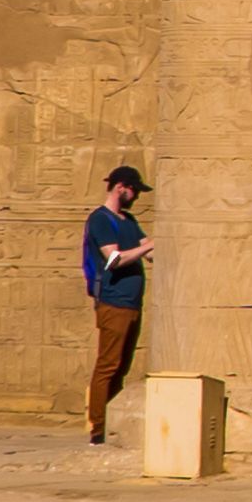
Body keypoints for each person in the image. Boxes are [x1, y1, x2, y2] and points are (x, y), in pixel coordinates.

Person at [81, 164, 153, 444]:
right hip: (114, 302)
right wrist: (147, 247)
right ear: (121, 187)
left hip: (132, 303)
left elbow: (149, 248)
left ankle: (112, 421)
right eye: (134, 190)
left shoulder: (128, 220)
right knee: (107, 365)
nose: (136, 197)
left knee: (122, 366)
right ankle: (98, 427)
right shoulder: (101, 220)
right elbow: (114, 259)